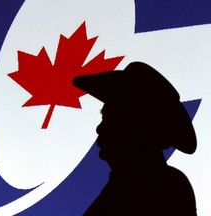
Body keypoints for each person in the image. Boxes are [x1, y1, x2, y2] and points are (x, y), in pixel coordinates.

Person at [73, 62, 197, 216]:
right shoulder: (127, 185)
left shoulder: (160, 187)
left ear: (138, 126)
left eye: (111, 119)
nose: (100, 128)